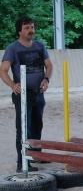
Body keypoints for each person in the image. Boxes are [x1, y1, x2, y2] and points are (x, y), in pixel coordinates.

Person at [0, 16, 53, 173]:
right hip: (23, 95)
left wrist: (46, 79)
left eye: (32, 27)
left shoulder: (40, 46)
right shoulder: (13, 49)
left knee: (37, 125)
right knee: (23, 129)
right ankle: (21, 162)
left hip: (38, 93)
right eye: (27, 28)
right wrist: (12, 84)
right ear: (19, 31)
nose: (31, 30)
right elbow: (3, 70)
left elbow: (49, 65)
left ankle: (36, 155)